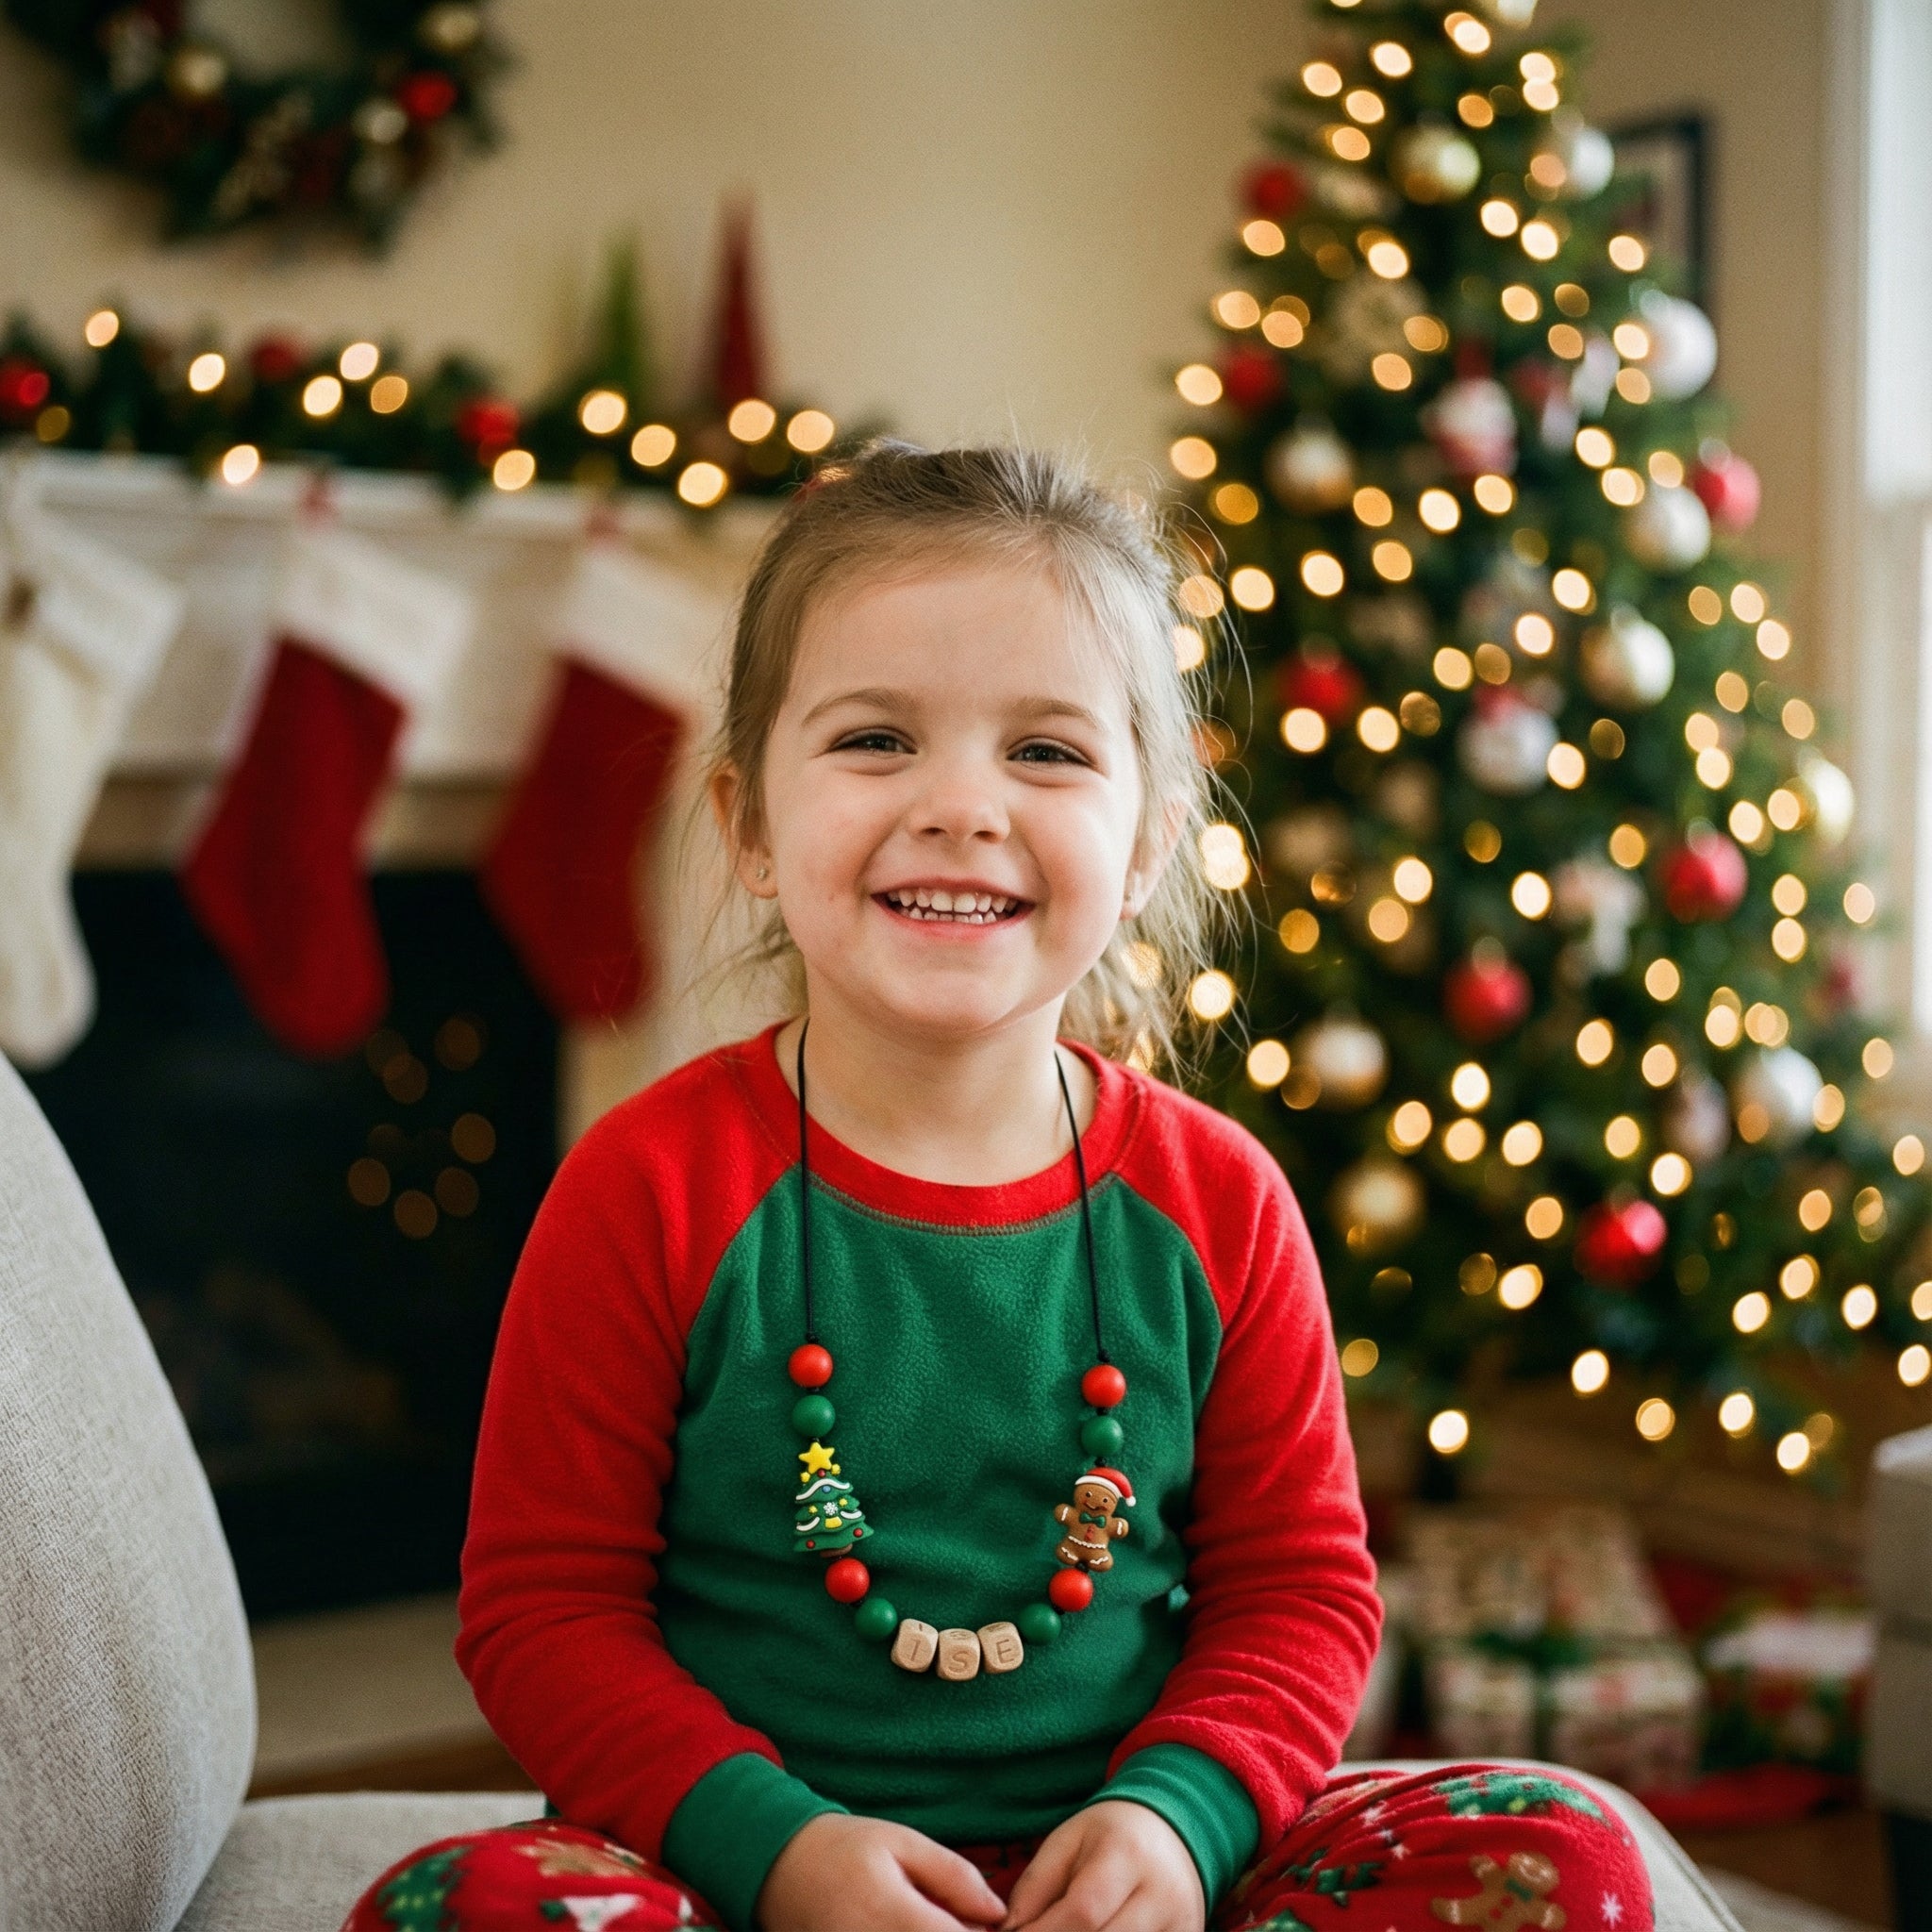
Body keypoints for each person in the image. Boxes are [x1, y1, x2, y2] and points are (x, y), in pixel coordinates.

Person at [340, 442, 1653, 1932]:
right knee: (456, 1906)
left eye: (1046, 752)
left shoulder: (1217, 1202)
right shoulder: (642, 1190)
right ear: (750, 827)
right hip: (743, 1887)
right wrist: (774, 1850)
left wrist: (1179, 1821)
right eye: (876, 741)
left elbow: (1301, 1597)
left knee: (1557, 1847)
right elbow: (542, 1614)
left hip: (1133, 1890)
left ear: (1151, 839)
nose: (962, 805)